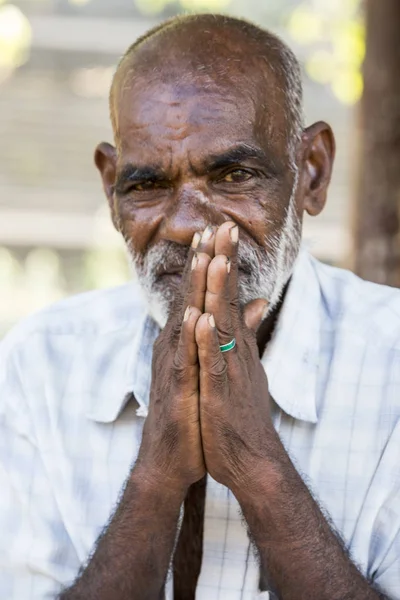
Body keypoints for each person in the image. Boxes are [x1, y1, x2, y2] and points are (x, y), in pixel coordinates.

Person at [1, 13, 399, 600]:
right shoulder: (38, 365)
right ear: (112, 190)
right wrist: (158, 475)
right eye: (147, 186)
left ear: (311, 172)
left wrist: (257, 464)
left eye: (234, 174)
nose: (187, 226)